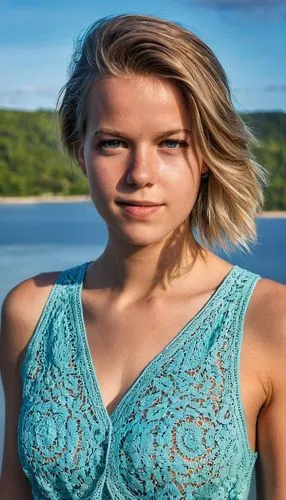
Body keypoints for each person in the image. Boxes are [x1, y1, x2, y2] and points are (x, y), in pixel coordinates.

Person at [0, 13, 285, 500]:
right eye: (113, 143)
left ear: (208, 158)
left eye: (171, 144)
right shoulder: (30, 311)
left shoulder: (270, 320)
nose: (140, 173)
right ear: (81, 151)